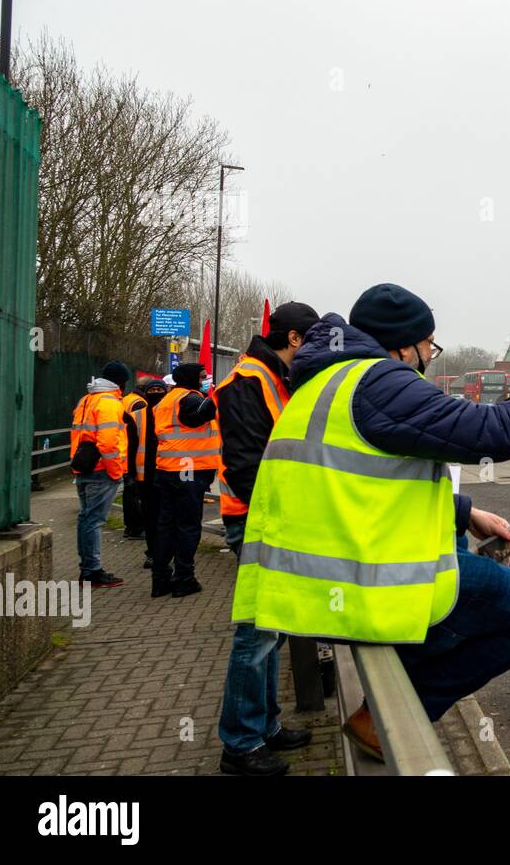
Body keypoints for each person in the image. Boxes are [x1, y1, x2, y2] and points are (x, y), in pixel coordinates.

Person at [232, 283, 510, 759]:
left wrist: (466, 513)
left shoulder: (324, 383)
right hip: (359, 587)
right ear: (403, 345)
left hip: (308, 583)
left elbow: (369, 484)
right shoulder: (380, 382)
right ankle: (393, 713)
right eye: (429, 344)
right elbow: (500, 431)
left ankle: (401, 685)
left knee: (460, 549)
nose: (430, 355)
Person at [214, 302, 321, 776]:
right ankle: (239, 745)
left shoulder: (272, 378)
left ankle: (264, 728)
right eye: (312, 341)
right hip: (256, 522)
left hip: (269, 521)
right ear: (294, 339)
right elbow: (245, 469)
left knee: (270, 631)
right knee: (256, 635)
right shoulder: (249, 381)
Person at [152, 362, 218, 598]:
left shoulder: (167, 401)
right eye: (202, 377)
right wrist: (221, 391)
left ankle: (160, 579)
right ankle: (184, 579)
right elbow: (202, 413)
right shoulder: (189, 399)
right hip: (188, 471)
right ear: (191, 378)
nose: (204, 381)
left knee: (166, 525)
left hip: (167, 470)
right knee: (188, 526)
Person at [70, 361, 131, 588]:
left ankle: (87, 568)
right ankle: (92, 572)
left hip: (84, 467)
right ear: (121, 382)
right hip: (102, 471)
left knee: (85, 519)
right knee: (93, 521)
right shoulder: (109, 402)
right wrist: (116, 472)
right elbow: (107, 444)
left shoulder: (87, 400)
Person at [138, 379, 169, 570]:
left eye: (160, 390)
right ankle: (152, 552)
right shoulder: (136, 416)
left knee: (165, 516)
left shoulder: (170, 412)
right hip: (145, 475)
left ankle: (164, 552)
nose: (156, 392)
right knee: (150, 517)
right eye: (153, 390)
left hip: (166, 472)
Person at [120, 375, 151, 541]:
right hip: (136, 455)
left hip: (123, 451)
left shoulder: (126, 399)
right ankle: (136, 528)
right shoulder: (141, 404)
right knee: (134, 495)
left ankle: (130, 527)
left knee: (129, 493)